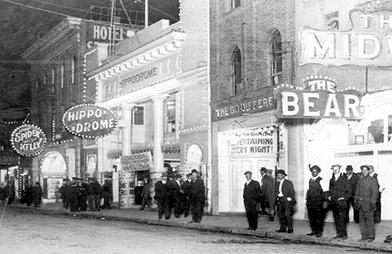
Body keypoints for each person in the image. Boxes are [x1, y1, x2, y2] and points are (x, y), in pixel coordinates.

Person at [355, 165, 379, 242]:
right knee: (362, 221)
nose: (364, 171)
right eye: (363, 170)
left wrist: (373, 203)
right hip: (361, 204)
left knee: (370, 221)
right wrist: (356, 201)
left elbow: (375, 193)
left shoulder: (373, 180)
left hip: (369, 204)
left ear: (369, 171)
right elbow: (357, 192)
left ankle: (371, 236)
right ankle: (364, 236)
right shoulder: (360, 180)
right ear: (361, 171)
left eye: (366, 170)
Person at [327, 164, 351, 240]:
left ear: (339, 170)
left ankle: (344, 235)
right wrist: (329, 196)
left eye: (337, 169)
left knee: (342, 219)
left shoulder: (344, 178)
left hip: (341, 203)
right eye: (334, 169)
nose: (335, 171)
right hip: (334, 203)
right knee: (336, 219)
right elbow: (330, 190)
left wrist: (344, 198)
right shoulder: (331, 180)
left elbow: (349, 191)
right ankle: (339, 233)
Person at [306, 165, 326, 237]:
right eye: (312, 171)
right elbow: (308, 191)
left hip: (318, 202)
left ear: (318, 172)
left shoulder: (321, 180)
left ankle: (319, 232)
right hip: (311, 203)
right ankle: (313, 230)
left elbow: (325, 192)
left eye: (315, 171)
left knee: (319, 218)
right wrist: (307, 201)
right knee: (312, 217)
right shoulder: (310, 180)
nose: (314, 173)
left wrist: (325, 202)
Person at [275, 169, 296, 233]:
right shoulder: (278, 183)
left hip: (286, 201)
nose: (278, 176)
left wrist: (288, 199)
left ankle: (290, 229)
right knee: (281, 215)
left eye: (280, 175)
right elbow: (276, 191)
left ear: (284, 176)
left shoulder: (288, 182)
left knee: (288, 215)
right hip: (280, 201)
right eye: (278, 175)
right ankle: (282, 228)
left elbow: (292, 192)